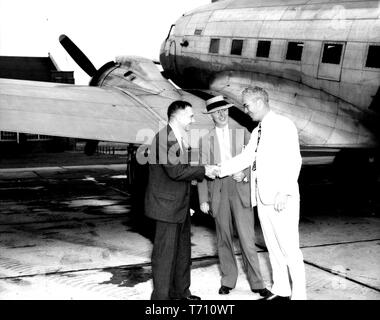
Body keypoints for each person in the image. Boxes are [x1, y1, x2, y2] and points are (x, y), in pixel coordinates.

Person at [216, 87, 307, 300]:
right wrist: (218, 169)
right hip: (264, 199)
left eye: (246, 105)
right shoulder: (258, 131)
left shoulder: (283, 125)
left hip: (281, 199)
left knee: (290, 249)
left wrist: (284, 192)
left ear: (258, 102)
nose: (246, 110)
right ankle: (282, 289)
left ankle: (300, 295)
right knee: (273, 249)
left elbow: (295, 160)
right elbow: (246, 158)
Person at [197, 95, 270, 298]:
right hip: (218, 191)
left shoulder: (243, 132)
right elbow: (202, 171)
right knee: (223, 238)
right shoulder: (204, 140)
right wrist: (203, 199)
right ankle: (228, 280)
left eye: (224, 110)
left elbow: (255, 159)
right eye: (217, 112)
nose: (221, 115)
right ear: (211, 115)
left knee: (247, 240)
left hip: (239, 189)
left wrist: (245, 174)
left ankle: (257, 283)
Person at [144, 100, 216, 300]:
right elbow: (176, 171)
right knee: (165, 256)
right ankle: (160, 299)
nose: (193, 120)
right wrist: (204, 170)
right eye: (190, 116)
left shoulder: (177, 137)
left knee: (183, 253)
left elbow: (180, 174)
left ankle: (181, 293)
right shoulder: (163, 139)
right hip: (165, 207)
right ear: (177, 116)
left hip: (179, 206)